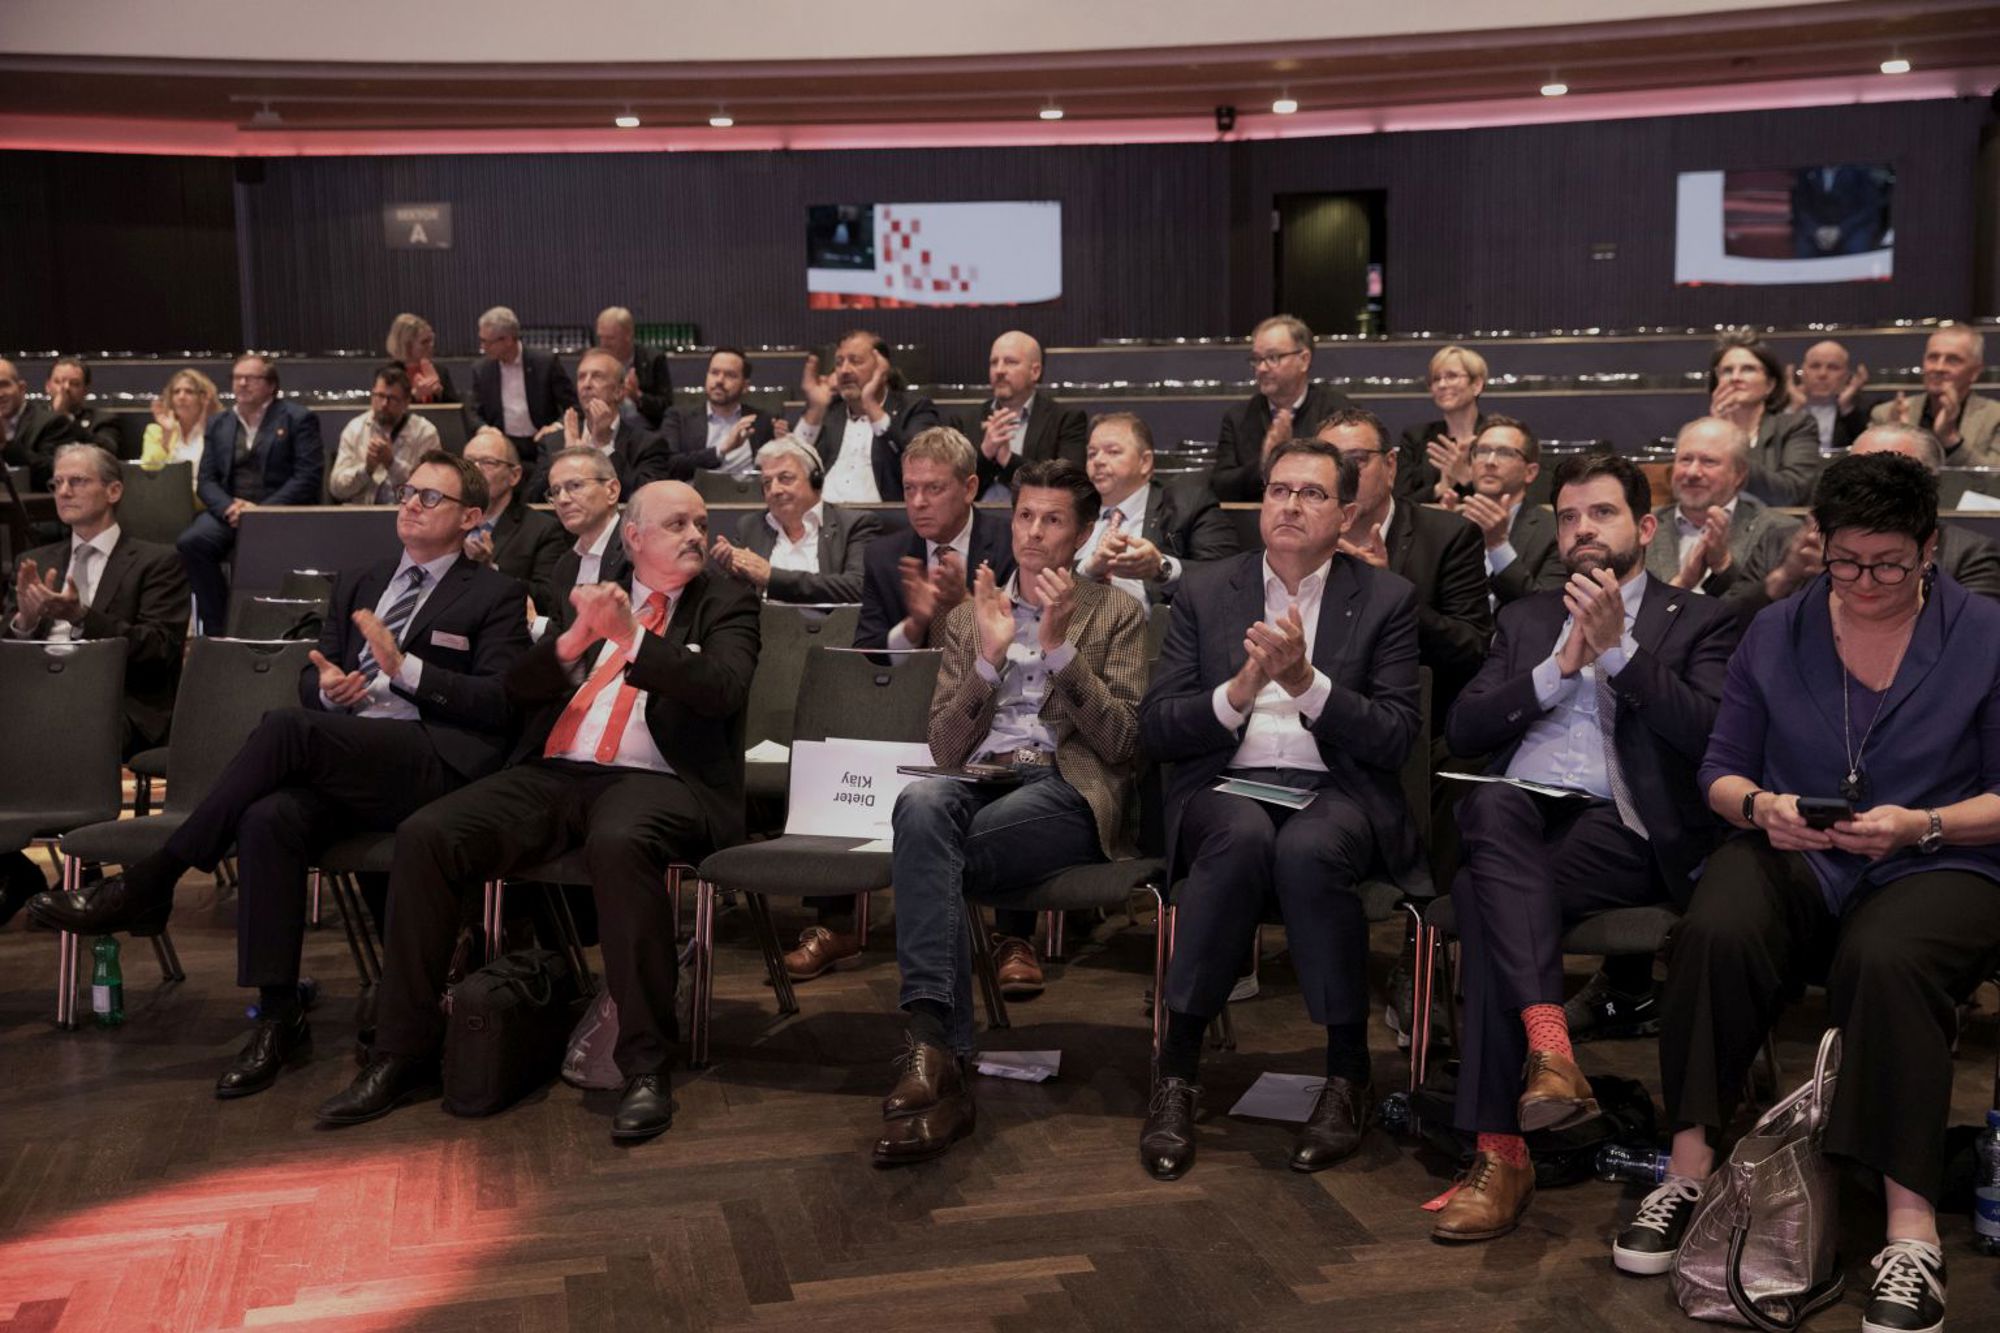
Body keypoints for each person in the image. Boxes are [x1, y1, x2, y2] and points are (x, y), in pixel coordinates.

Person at [1615, 452, 2000, 1333]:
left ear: (1930, 549)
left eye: (1889, 565)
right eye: (1845, 561)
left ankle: (1910, 1231)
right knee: (1715, 926)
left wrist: (1922, 825)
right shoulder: (1776, 628)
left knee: (1889, 956)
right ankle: (1687, 1168)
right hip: (1800, 849)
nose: (1863, 583)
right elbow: (1720, 772)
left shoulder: (1984, 632)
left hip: (1942, 858)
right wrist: (1764, 807)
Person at [28, 453, 530, 1099]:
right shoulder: (363, 579)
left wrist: (404, 669)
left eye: (430, 497)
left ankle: (154, 877)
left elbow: (499, 703)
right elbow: (313, 673)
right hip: (352, 754)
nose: (410, 503)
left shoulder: (494, 594)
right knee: (270, 816)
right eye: (408, 491)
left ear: (470, 517)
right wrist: (329, 690)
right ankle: (276, 1011)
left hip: (433, 761)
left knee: (288, 730)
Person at [318, 481, 760, 1144]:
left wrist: (632, 638)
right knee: (428, 833)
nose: (696, 534)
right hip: (556, 770)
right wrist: (573, 639)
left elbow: (722, 688)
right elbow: (515, 691)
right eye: (677, 523)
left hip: (660, 780)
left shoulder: (727, 603)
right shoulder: (591, 593)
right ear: (634, 537)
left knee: (619, 841)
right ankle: (401, 1050)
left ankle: (645, 1065)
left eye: (701, 522)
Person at [1424, 452, 1739, 1243]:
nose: (1581, 529)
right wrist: (1558, 667)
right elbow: (1464, 728)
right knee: (1493, 804)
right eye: (1567, 517)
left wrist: (1619, 654)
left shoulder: (1699, 618)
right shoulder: (1527, 617)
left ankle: (1500, 1152)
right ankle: (1550, 1051)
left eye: (1600, 513)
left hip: (1623, 824)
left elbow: (1710, 734)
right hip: (1520, 814)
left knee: (1482, 895)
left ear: (1645, 526)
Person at [1138, 438, 1426, 1181]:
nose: (1291, 504)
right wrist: (1239, 691)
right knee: (1237, 836)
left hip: (1337, 790)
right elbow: (1157, 727)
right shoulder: (1206, 590)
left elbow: (1396, 736)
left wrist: (1306, 684)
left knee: (1309, 848)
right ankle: (1177, 1072)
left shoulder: (1386, 599)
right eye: (1278, 490)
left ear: (1347, 514)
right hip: (1226, 784)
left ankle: (1347, 1075)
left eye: (1312, 493)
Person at [875, 459, 1147, 1164]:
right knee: (920, 800)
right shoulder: (971, 617)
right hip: (980, 777)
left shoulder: (1116, 612)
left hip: (1066, 786)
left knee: (931, 856)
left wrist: (1059, 651)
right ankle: (941, 1054)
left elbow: (1123, 742)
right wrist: (989, 659)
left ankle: (932, 1051)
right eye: (1024, 515)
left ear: (1082, 534)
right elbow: (944, 747)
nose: (1033, 532)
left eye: (1052, 520)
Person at [795, 427, 1015, 984]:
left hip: (995, 708)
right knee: (844, 735)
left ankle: (1015, 937)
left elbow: (1026, 652)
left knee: (1023, 757)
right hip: (910, 711)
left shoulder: (1011, 543)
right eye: (909, 488)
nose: (917, 502)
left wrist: (963, 610)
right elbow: (870, 655)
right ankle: (835, 923)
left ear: (970, 487)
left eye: (933, 488)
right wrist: (914, 624)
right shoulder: (887, 553)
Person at [3, 445, 191, 923]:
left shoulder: (157, 561)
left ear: (113, 490)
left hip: (120, 703)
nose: (63, 491)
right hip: (36, 700)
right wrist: (24, 623)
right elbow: (7, 650)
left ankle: (84, 872)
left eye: (78, 481)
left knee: (60, 733)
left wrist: (83, 616)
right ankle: (15, 869)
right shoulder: (35, 559)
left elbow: (159, 648)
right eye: (57, 483)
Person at [1315, 408, 1490, 727]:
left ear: (1391, 465)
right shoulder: (1304, 538)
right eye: (1331, 463)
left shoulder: (1448, 536)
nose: (1344, 475)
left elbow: (1471, 651)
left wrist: (1389, 592)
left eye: (1357, 460)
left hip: (1411, 723)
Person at [1734, 424, 2000, 614]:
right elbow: (1725, 625)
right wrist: (1783, 577)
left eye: (1887, 477)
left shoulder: (1969, 553)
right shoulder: (1781, 541)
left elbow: (1976, 641)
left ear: (1930, 484)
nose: (1867, 488)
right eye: (1855, 474)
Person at [179, 355, 324, 636]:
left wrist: (260, 512)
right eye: (237, 377)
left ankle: (280, 630)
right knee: (192, 542)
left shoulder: (298, 418)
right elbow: (206, 481)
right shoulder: (219, 422)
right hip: (230, 511)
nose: (242, 383)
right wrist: (229, 508)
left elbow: (307, 477)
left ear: (271, 385)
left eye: (251, 378)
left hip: (280, 512)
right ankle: (219, 628)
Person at [1075, 411, 1236, 607]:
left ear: (1145, 462)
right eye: (1092, 454)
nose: (1098, 461)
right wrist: (1088, 569)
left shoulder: (1187, 505)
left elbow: (1227, 575)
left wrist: (1161, 568)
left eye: (1113, 451)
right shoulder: (1072, 512)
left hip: (1151, 623)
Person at [709, 437, 883, 605]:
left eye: (785, 478)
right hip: (763, 624)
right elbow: (734, 599)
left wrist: (771, 577)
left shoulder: (854, 525)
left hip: (832, 625)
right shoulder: (750, 526)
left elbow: (858, 587)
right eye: (767, 482)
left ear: (816, 480)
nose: (775, 490)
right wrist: (734, 574)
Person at [1641, 417, 1798, 599]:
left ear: (1739, 474)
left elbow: (1766, 607)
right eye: (1685, 460)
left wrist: (1724, 565)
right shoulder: (1641, 527)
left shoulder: (1778, 532)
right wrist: (1682, 584)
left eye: (1709, 461)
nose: (1692, 472)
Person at [1210, 315, 1353, 502]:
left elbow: (1348, 481)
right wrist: (1265, 464)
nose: (1261, 368)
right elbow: (1221, 486)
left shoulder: (1337, 413)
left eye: (1273, 357)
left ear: (1304, 360)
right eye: (1257, 359)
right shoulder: (1238, 417)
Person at [790, 330, 942, 503]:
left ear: (881, 367)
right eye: (839, 363)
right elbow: (789, 465)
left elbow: (923, 464)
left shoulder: (913, 409)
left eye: (855, 361)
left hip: (882, 516)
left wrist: (870, 404)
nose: (844, 370)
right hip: (823, 514)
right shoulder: (829, 410)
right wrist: (815, 410)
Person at [1450, 415, 1565, 606]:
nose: (1490, 461)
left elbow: (1543, 609)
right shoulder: (1447, 525)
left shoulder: (1554, 530)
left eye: (1504, 453)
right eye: (1482, 451)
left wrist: (1498, 547)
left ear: (1530, 472)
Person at [524, 348, 666, 502]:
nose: (586, 384)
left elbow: (646, 499)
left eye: (597, 376)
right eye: (581, 377)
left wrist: (604, 447)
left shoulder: (647, 444)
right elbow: (532, 500)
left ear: (619, 392)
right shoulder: (554, 442)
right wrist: (567, 459)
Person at [959, 331, 1088, 499]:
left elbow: (1069, 484)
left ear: (1035, 371)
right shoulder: (965, 421)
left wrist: (1008, 460)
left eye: (1010, 362)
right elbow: (954, 487)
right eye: (994, 362)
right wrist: (985, 453)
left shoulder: (1066, 419)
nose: (999, 370)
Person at [1704, 331, 1820, 505]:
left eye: (1748, 369)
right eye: (1727, 371)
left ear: (1770, 384)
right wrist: (1716, 434)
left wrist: (1727, 442)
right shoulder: (1700, 435)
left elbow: (1792, 493)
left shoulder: (1797, 426)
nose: (1735, 378)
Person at [462, 428, 565, 615]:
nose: (475, 470)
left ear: (514, 475)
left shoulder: (543, 530)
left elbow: (547, 598)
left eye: (487, 462)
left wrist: (491, 570)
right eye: (468, 463)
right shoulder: (447, 522)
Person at [1870, 325, 1997, 465]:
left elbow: (1995, 476)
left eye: (1953, 360)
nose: (1939, 368)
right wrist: (1898, 439)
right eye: (1933, 358)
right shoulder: (1885, 414)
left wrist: (1950, 438)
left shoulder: (1995, 417)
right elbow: (1867, 470)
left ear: (1975, 372)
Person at [538, 446, 629, 638]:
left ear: (612, 491)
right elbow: (560, 636)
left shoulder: (636, 553)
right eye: (555, 491)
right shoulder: (564, 566)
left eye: (575, 486)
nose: (562, 499)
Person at [468, 306, 576, 454]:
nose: (483, 347)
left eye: (487, 342)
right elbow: (473, 412)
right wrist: (483, 428)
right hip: (502, 446)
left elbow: (573, 406)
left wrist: (556, 427)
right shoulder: (482, 369)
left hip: (542, 442)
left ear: (508, 340)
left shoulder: (545, 363)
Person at [328, 364, 442, 504]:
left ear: (406, 402)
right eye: (380, 396)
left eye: (392, 398)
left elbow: (430, 491)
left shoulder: (425, 433)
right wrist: (367, 469)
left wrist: (392, 464)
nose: (384, 404)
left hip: (407, 511)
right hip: (361, 512)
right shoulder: (355, 429)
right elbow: (336, 489)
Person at [1396, 344, 1494, 504]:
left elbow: (1511, 499)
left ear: (1476, 385)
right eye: (1436, 379)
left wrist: (1465, 478)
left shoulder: (1497, 436)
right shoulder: (1415, 438)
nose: (1441, 385)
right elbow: (1399, 502)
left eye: (1452, 376)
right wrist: (1440, 488)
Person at [661, 347, 776, 478]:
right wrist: (721, 450)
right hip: (695, 490)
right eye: (714, 373)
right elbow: (669, 465)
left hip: (747, 491)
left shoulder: (762, 421)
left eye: (730, 375)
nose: (719, 380)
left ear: (745, 386)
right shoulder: (679, 418)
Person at [0, 357, 83, 490]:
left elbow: (54, 474)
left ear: (21, 388)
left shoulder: (53, 422)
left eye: (3, 385)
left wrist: (5, 446)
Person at [139, 367, 220, 493]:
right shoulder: (155, 431)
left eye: (189, 392)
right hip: (169, 498)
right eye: (176, 392)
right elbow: (149, 471)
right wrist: (167, 435)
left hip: (207, 500)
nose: (181, 397)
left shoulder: (218, 431)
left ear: (203, 398)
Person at [594, 306, 674, 430]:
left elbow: (667, 407)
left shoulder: (653, 359)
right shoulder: (595, 362)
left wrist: (638, 396)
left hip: (646, 430)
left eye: (610, 338)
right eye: (601, 337)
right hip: (605, 429)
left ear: (628, 335)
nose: (604, 344)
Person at [1787, 338, 1870, 453]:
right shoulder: (1779, 408)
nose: (1822, 374)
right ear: (1803, 372)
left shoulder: (1863, 410)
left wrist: (1846, 408)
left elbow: (1865, 451)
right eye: (1815, 366)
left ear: (1847, 375)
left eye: (1833, 367)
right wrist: (1793, 409)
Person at [44, 357, 122, 453]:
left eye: (74, 383)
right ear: (48, 386)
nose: (66, 387)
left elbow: (107, 450)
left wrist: (66, 417)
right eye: (59, 381)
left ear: (85, 390)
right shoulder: (33, 418)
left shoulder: (102, 420)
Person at [385, 313, 457, 405]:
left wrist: (439, 393)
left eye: (431, 340)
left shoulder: (441, 371)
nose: (431, 345)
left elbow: (456, 409)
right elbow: (387, 408)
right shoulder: (387, 374)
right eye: (425, 342)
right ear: (407, 346)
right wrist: (415, 396)